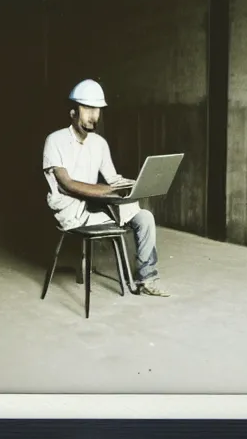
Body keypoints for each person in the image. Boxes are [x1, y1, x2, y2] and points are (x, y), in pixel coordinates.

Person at [42, 79, 170, 297]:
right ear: (73, 112)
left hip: (96, 204)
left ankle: (147, 279)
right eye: (87, 109)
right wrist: (106, 191)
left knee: (145, 218)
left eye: (97, 110)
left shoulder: (99, 143)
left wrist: (135, 184)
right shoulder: (55, 140)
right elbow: (66, 184)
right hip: (71, 210)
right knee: (118, 215)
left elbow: (113, 178)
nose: (93, 116)